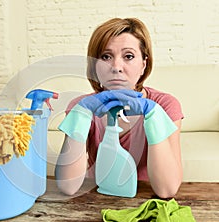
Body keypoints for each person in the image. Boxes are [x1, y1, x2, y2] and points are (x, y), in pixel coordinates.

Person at [55, 18, 183, 199]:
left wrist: (154, 116)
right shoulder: (81, 107)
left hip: (143, 200)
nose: (116, 67)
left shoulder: (166, 105)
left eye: (128, 56)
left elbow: (167, 190)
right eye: (106, 56)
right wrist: (81, 114)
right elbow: (68, 186)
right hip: (96, 199)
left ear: (143, 64)